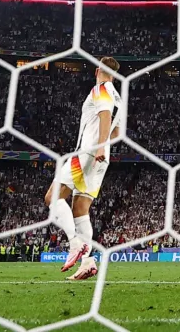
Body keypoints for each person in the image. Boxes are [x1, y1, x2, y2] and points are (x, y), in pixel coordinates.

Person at [44, 57, 123, 281]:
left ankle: (74, 242)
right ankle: (87, 262)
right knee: (80, 207)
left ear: (98, 70)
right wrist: (103, 145)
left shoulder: (101, 89)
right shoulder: (118, 97)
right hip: (102, 157)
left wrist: (97, 145)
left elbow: (105, 115)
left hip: (89, 152)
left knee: (52, 197)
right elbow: (117, 133)